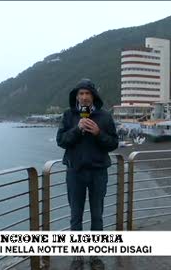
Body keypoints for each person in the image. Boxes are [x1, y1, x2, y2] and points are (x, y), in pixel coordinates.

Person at [56, 78, 118, 269]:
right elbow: (61, 141)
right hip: (75, 172)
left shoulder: (105, 117)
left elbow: (114, 143)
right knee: (76, 215)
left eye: (87, 93)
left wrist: (98, 132)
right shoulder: (68, 116)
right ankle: (77, 256)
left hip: (98, 173)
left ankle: (96, 256)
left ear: (93, 96)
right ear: (76, 96)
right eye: (80, 94)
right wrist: (78, 129)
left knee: (97, 214)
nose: (84, 97)